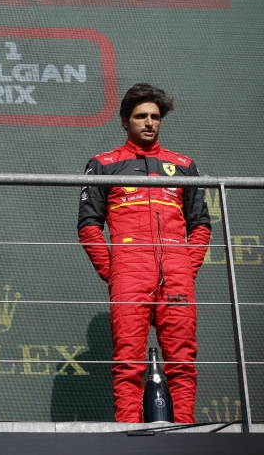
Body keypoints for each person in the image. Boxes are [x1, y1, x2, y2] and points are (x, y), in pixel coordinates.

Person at [78, 84, 210, 423]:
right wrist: (114, 270)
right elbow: (88, 225)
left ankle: (185, 438)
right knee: (128, 363)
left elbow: (201, 225)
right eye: (141, 116)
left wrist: (185, 265)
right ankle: (127, 439)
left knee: (182, 362)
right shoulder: (103, 164)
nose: (149, 123)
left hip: (176, 272)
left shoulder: (183, 165)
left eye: (155, 117)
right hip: (129, 271)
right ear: (125, 121)